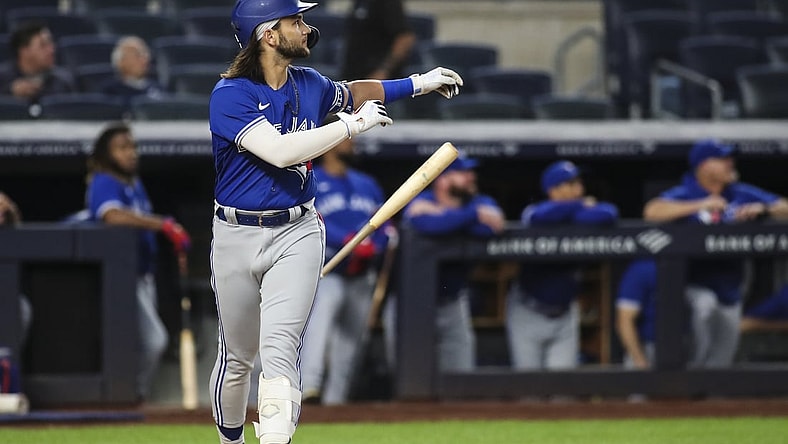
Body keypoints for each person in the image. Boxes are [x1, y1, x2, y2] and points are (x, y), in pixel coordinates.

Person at [208, 1, 463, 443]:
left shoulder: (309, 83)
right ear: (268, 35)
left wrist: (418, 83)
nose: (306, 29)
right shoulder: (231, 95)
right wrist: (349, 128)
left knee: (280, 350)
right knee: (238, 360)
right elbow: (282, 152)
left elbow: (357, 92)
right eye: (296, 21)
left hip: (298, 229)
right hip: (236, 233)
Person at [643, 138, 788, 368]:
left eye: (729, 158)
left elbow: (785, 207)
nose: (730, 163)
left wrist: (765, 209)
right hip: (693, 285)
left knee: (722, 361)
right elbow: (652, 211)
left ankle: (709, 400)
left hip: (731, 287)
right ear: (703, 166)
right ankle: (685, 390)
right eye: (722, 160)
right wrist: (700, 205)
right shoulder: (686, 192)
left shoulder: (740, 192)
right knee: (704, 308)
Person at [85, 123, 191, 401]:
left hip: (143, 273)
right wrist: (163, 224)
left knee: (139, 342)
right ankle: (132, 396)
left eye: (132, 146)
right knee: (154, 341)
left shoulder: (134, 183)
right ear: (106, 154)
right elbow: (110, 216)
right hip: (120, 277)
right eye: (122, 148)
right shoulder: (104, 181)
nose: (131, 153)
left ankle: (132, 395)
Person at [299, 133, 390, 405]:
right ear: (329, 146)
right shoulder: (312, 182)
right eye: (346, 138)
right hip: (328, 270)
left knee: (351, 344)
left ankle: (335, 404)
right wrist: (348, 240)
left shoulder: (367, 184)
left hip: (362, 273)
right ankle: (309, 390)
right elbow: (311, 218)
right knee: (319, 328)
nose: (352, 143)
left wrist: (375, 244)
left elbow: (385, 223)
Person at [394, 154, 504, 372]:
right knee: (411, 375)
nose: (471, 177)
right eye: (463, 173)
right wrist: (472, 217)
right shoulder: (421, 201)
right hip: (413, 303)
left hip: (453, 301)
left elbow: (495, 225)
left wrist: (451, 216)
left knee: (461, 372)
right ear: (442, 179)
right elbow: (428, 224)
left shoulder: (479, 202)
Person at [506, 160, 618, 370]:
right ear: (553, 190)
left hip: (565, 314)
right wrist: (578, 205)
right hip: (528, 311)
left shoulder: (579, 216)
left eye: (579, 182)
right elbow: (538, 217)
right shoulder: (537, 211)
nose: (579, 188)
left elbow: (609, 213)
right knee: (529, 390)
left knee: (563, 392)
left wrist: (572, 209)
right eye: (571, 183)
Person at [0, 21, 76, 105]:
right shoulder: (2, 79)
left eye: (51, 44)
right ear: (24, 51)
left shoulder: (63, 81)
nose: (52, 50)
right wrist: (9, 93)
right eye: (43, 45)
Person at [341, 0, 416, 80]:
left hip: (377, 77)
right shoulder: (359, 2)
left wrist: (383, 69)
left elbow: (405, 37)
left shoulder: (388, 3)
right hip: (353, 74)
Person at [99, 35, 164, 109]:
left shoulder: (157, 87)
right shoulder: (109, 91)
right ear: (121, 61)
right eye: (138, 55)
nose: (145, 60)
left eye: (146, 55)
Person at [615, 259, 657, 369]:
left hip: (685, 344)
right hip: (647, 346)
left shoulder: (691, 267)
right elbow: (624, 320)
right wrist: (639, 360)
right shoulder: (643, 269)